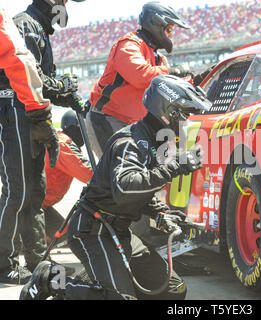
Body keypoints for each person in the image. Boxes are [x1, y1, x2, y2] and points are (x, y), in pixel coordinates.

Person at [20, 74, 211, 300]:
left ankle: (101, 283)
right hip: (92, 230)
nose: (187, 122)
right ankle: (51, 279)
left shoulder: (151, 140)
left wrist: (160, 213)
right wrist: (176, 166)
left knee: (173, 291)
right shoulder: (130, 142)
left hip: (120, 233)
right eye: (185, 115)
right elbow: (125, 189)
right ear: (168, 111)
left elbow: (142, 189)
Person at [0, 0, 84, 284]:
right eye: (63, 2)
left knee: (35, 191)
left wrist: (66, 93)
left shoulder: (40, 30)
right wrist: (62, 86)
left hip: (28, 112)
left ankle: (38, 262)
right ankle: (4, 264)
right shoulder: (25, 24)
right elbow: (27, 77)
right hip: (14, 110)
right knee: (18, 191)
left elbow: (41, 81)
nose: (65, 8)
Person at [85, 1, 191, 159]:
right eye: (169, 30)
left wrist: (195, 80)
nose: (171, 35)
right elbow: (140, 76)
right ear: (157, 25)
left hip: (133, 123)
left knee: (143, 174)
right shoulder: (129, 45)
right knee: (118, 174)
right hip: (107, 117)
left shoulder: (159, 59)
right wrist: (172, 72)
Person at [43, 110, 93, 244]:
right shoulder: (63, 144)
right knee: (35, 242)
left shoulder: (61, 141)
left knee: (64, 236)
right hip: (31, 207)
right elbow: (88, 173)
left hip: (40, 206)